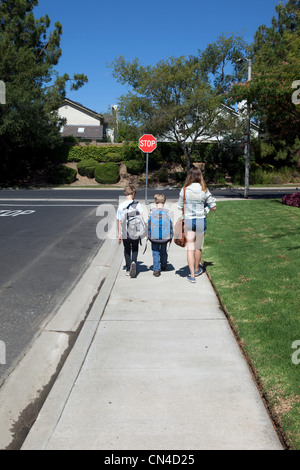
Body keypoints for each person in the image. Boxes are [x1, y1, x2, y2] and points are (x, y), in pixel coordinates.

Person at [178, 166, 216, 283]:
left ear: (189, 176)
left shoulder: (184, 190)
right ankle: (196, 268)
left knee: (190, 248)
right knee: (198, 247)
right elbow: (213, 206)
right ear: (200, 176)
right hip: (200, 219)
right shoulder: (204, 189)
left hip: (189, 220)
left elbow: (180, 206)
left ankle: (192, 275)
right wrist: (205, 210)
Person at [117, 185, 144, 277]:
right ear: (133, 193)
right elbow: (141, 218)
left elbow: (119, 220)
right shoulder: (137, 204)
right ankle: (134, 262)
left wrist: (119, 234)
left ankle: (128, 269)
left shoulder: (121, 206)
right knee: (135, 247)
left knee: (127, 249)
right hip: (135, 231)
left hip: (125, 231)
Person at [148, 194, 173, 277]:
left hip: (154, 236)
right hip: (164, 235)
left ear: (155, 202)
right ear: (164, 201)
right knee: (163, 251)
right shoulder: (167, 211)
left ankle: (156, 269)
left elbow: (149, 223)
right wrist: (171, 235)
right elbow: (170, 224)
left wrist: (148, 234)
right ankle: (163, 264)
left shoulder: (152, 211)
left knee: (155, 252)